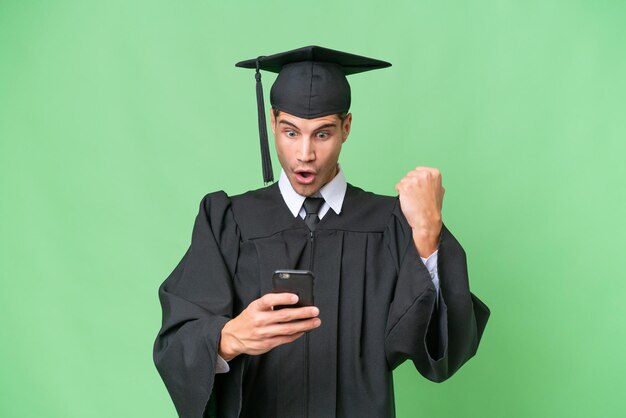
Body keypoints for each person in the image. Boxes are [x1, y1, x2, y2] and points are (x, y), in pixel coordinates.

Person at [153, 46, 490, 418]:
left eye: (322, 134)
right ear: (273, 122)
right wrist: (227, 338)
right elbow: (176, 342)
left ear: (346, 127)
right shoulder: (228, 221)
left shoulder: (391, 223)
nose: (304, 154)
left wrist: (427, 231)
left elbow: (446, 351)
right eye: (291, 132)